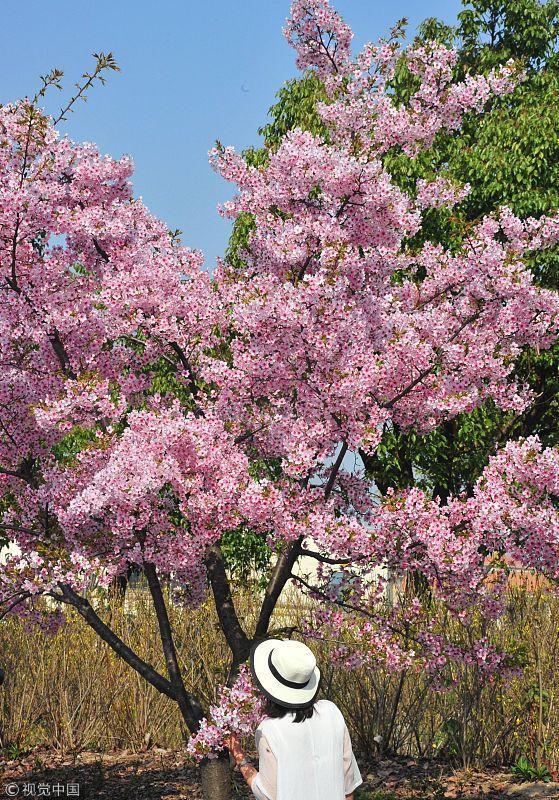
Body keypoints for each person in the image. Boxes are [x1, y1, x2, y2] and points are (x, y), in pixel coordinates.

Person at [225, 638, 362, 800]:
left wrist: (239, 756)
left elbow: (268, 795)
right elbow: (348, 785)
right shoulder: (332, 712)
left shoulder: (269, 730)